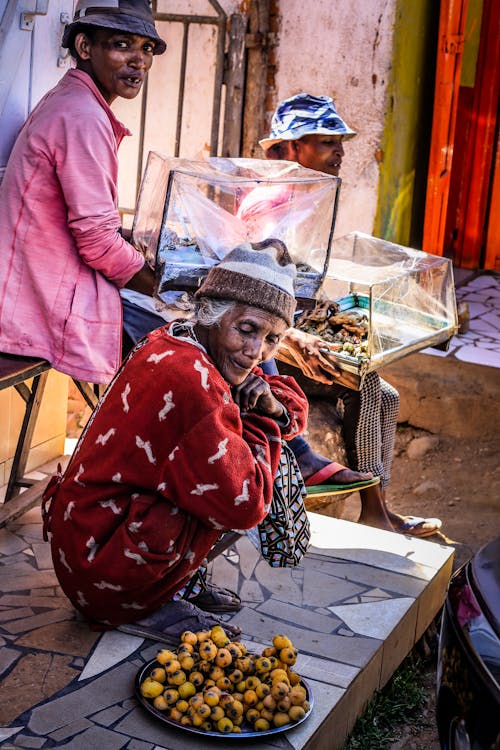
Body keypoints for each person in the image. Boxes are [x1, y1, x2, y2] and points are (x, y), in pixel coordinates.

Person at [41, 240, 309, 639]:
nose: (256, 352)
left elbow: (286, 404)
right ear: (212, 314)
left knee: (230, 459)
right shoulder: (193, 383)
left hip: (86, 540)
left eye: (271, 340)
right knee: (247, 475)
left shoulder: (176, 337)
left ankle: (177, 581)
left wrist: (270, 407)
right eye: (247, 330)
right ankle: (146, 602)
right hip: (100, 573)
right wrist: (265, 421)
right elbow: (247, 505)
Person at [253, 93, 441, 537]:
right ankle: (374, 510)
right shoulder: (272, 208)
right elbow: (261, 295)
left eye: (340, 142)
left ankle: (383, 506)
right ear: (289, 150)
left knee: (389, 397)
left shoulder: (306, 195)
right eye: (325, 142)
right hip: (269, 346)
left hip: (290, 328)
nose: (339, 153)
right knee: (366, 382)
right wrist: (298, 335)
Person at [0, 0, 165, 385]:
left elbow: (92, 228)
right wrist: (167, 291)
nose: (138, 61)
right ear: (85, 48)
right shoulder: (82, 116)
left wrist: (139, 241)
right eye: (122, 44)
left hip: (40, 286)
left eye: (146, 49)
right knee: (205, 335)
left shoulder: (74, 102)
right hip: (38, 301)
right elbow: (97, 243)